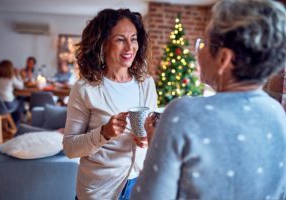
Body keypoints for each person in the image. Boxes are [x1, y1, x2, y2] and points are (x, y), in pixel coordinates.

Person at [131, 0, 286, 199]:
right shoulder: (278, 115)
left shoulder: (184, 113)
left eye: (202, 43)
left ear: (224, 59)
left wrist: (156, 145)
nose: (198, 51)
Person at [62, 8, 157, 200]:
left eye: (134, 38)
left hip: (139, 184)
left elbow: (150, 130)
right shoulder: (85, 88)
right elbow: (70, 148)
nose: (130, 47)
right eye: (120, 39)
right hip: (99, 190)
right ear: (102, 43)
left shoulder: (146, 84)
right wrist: (103, 133)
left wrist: (148, 138)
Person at [0, 60, 25, 127]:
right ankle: (14, 125)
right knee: (21, 101)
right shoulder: (11, 77)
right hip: (6, 105)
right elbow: (21, 87)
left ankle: (8, 123)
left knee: (16, 101)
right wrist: (18, 75)